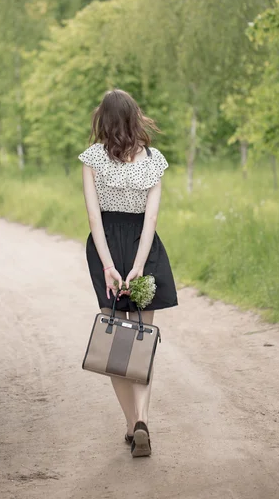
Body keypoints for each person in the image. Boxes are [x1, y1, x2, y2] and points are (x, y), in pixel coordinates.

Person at [78, 89, 178, 458]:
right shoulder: (154, 160)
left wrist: (109, 266)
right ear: (135, 116)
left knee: (115, 346)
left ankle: (129, 423)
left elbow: (93, 217)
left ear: (102, 119)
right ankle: (142, 420)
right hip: (143, 246)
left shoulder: (92, 159)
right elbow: (151, 218)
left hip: (106, 247)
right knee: (142, 340)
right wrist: (138, 265)